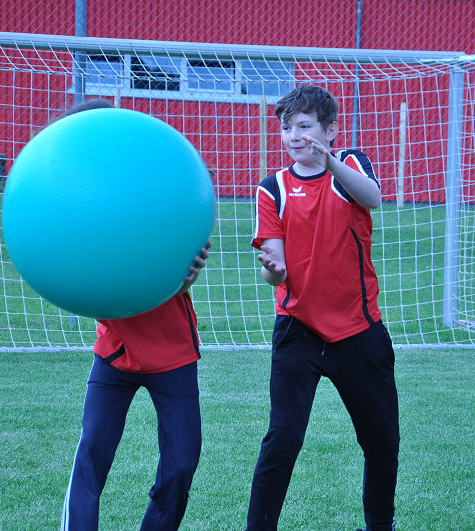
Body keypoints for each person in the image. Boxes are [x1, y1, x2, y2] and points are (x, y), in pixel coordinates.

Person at [246, 85, 399, 531]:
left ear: (330, 131)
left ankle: (380, 525)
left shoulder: (350, 166)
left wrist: (329, 161)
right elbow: (274, 270)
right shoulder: (272, 188)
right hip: (298, 330)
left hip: (358, 329)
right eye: (286, 128)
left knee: (381, 441)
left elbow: (372, 198)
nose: (294, 136)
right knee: (282, 439)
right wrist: (274, 271)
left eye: (304, 126)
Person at [58, 99, 211, 530]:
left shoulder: (150, 188)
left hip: (172, 353)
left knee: (182, 464)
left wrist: (185, 276)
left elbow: (172, 273)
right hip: (116, 352)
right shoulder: (73, 205)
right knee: (92, 456)